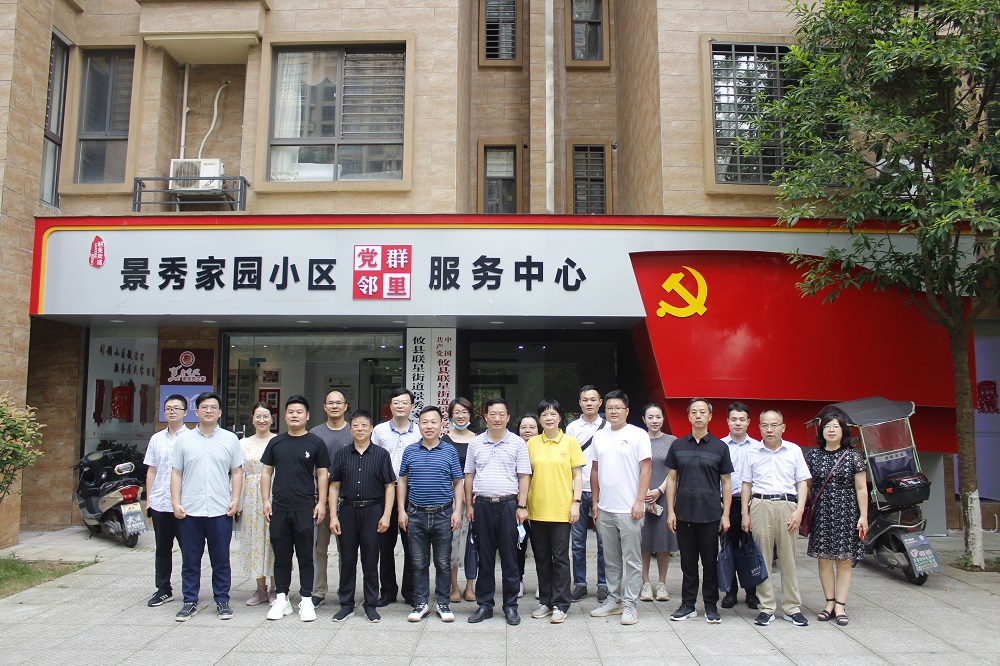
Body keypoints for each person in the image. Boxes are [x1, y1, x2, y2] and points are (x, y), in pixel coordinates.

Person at [171, 391, 244, 621]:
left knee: (221, 559)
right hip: (190, 510)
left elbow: (237, 472)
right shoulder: (184, 440)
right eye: (204, 407)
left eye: (213, 407)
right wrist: (175, 502)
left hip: (220, 509)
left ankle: (222, 600)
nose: (209, 411)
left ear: (220, 412)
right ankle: (189, 601)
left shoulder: (230, 439)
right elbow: (176, 473)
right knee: (190, 560)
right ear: (196, 411)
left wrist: (235, 500)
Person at [658, 398, 733, 624]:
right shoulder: (678, 446)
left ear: (710, 416)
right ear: (688, 416)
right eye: (694, 412)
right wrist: (671, 511)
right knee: (688, 563)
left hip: (710, 514)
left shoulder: (720, 447)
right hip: (684, 514)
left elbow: (726, 483)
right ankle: (688, 604)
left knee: (709, 562)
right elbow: (672, 479)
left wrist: (726, 514)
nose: (698, 415)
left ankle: (710, 605)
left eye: (702, 412)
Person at [739, 409, 812, 627]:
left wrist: (799, 510)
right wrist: (745, 514)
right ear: (759, 427)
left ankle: (792, 607)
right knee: (762, 557)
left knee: (788, 559)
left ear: (783, 427)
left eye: (774, 425)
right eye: (764, 425)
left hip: (787, 505)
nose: (769, 429)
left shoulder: (794, 450)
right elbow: (746, 484)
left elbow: (802, 482)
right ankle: (767, 607)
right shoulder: (752, 452)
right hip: (760, 505)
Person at [260, 395, 330, 622]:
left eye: (299, 412)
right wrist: (266, 500)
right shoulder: (276, 442)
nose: (294, 415)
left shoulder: (316, 443)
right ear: (284, 415)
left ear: (307, 416)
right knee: (281, 556)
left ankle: (306, 599)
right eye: (290, 412)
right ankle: (282, 598)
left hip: (306, 508)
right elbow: (266, 472)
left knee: (306, 556)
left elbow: (322, 474)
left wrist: (321, 502)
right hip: (279, 508)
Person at [464, 397, 532, 625]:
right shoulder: (475, 443)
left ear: (508, 417)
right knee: (484, 558)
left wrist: (521, 506)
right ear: (485, 417)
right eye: (492, 414)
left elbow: (524, 476)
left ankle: (511, 606)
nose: (497, 418)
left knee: (510, 558)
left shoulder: (517, 443)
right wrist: (469, 505)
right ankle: (485, 605)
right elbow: (469, 476)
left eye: (501, 414)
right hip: (482, 506)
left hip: (509, 506)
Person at [589, 390, 651, 626]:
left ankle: (630, 603)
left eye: (618, 408)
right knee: (611, 559)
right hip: (605, 508)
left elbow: (646, 469)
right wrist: (595, 502)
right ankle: (613, 599)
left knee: (632, 559)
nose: (613, 412)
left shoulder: (638, 434)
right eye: (610, 408)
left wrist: (639, 501)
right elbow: (595, 470)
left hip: (629, 509)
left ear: (627, 410)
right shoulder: (599, 436)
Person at [397, 406, 465, 623]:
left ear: (441, 425)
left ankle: (443, 603)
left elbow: (458, 482)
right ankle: (421, 603)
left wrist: (458, 511)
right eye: (424, 422)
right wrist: (401, 511)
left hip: (443, 515)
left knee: (443, 563)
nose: (429, 426)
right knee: (418, 563)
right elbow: (402, 481)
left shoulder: (449, 451)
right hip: (415, 514)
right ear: (419, 426)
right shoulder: (410, 451)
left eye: (433, 422)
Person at [329, 409, 396, 623]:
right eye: (356, 426)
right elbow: (334, 486)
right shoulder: (342, 454)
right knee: (347, 560)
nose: (360, 429)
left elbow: (389, 486)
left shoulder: (381, 454)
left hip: (373, 510)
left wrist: (386, 515)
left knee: (370, 560)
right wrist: (333, 516)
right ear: (350, 429)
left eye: (364, 425)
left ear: (371, 429)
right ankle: (346, 604)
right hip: (348, 511)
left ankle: (370, 604)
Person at [804, 410, 868, 626]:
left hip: (846, 513)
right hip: (822, 513)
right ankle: (829, 603)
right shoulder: (813, 456)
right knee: (824, 560)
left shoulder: (853, 457)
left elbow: (861, 489)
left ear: (843, 431)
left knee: (844, 560)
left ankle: (840, 605)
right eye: (827, 426)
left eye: (836, 426)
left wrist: (863, 516)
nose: (831, 430)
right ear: (822, 430)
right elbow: (806, 485)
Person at [525, 399, 584, 624]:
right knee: (541, 558)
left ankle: (561, 603)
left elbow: (578, 476)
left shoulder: (570, 442)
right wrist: (523, 505)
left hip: (561, 510)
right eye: (544, 414)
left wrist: (576, 502)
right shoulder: (532, 444)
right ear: (539, 419)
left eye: (553, 414)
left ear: (560, 417)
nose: (549, 418)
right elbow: (526, 476)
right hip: (536, 510)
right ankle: (546, 601)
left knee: (560, 558)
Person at [372, 387, 421, 607]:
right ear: (390, 406)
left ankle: (410, 591)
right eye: (396, 402)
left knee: (412, 545)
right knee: (385, 545)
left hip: (413, 492)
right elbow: (372, 460)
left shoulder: (419, 431)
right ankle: (388, 591)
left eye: (404, 402)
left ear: (412, 406)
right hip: (385, 492)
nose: (400, 406)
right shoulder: (379, 431)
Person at [143, 393, 189, 607]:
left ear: (185, 413)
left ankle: (190, 589)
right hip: (160, 502)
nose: (172, 411)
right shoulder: (156, 439)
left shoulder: (191, 438)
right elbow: (152, 470)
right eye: (168, 408)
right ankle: (163, 589)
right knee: (162, 549)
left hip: (184, 504)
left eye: (176, 408)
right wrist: (149, 500)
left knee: (189, 550)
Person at [309, 390, 353, 607]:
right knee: (319, 548)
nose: (335, 406)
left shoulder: (354, 431)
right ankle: (318, 590)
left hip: (348, 501)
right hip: (321, 501)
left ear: (346, 406)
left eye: (339, 403)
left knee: (347, 549)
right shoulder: (315, 433)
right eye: (330, 403)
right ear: (324, 407)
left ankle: (346, 590)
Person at [565, 385, 609, 603]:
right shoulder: (572, 428)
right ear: (580, 403)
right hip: (578, 490)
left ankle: (603, 584)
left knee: (604, 542)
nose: (589, 403)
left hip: (603, 491)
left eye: (593, 399)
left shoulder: (609, 426)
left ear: (600, 403)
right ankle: (580, 584)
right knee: (577, 541)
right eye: (585, 399)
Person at [232, 403, 276, 607]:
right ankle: (260, 589)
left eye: (266, 416)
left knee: (274, 542)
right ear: (252, 419)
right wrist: (236, 501)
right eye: (258, 416)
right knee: (255, 541)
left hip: (274, 495)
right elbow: (237, 474)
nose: (262, 420)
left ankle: (276, 588)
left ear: (272, 418)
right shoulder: (242, 443)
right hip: (251, 497)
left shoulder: (278, 441)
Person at [720, 402, 761, 610]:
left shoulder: (758, 447)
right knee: (728, 548)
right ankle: (731, 592)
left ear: (748, 422)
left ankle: (752, 592)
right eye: (734, 419)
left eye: (742, 419)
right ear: (728, 421)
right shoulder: (720, 445)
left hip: (750, 505)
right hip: (726, 504)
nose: (738, 423)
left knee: (749, 549)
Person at [638, 403, 676, 603]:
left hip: (664, 496)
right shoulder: (638, 439)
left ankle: (661, 583)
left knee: (663, 542)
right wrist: (644, 493)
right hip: (641, 497)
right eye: (650, 417)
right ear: (644, 419)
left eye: (658, 417)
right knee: (643, 541)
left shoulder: (672, 441)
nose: (654, 421)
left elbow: (674, 472)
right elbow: (633, 468)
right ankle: (645, 583)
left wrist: (659, 490)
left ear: (663, 418)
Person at [442, 397, 477, 603]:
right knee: (453, 541)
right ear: (450, 416)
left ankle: (470, 585)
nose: (461, 416)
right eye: (456, 412)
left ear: (470, 415)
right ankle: (454, 586)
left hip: (475, 497)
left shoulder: (478, 439)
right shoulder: (444, 441)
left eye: (464, 412)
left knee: (474, 540)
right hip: (451, 498)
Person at [516, 413, 540, 599]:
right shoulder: (513, 446)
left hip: (540, 503)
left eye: (532, 427)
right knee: (518, 544)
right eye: (524, 427)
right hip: (517, 505)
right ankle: (518, 580)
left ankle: (543, 581)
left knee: (541, 546)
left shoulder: (542, 448)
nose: (528, 430)